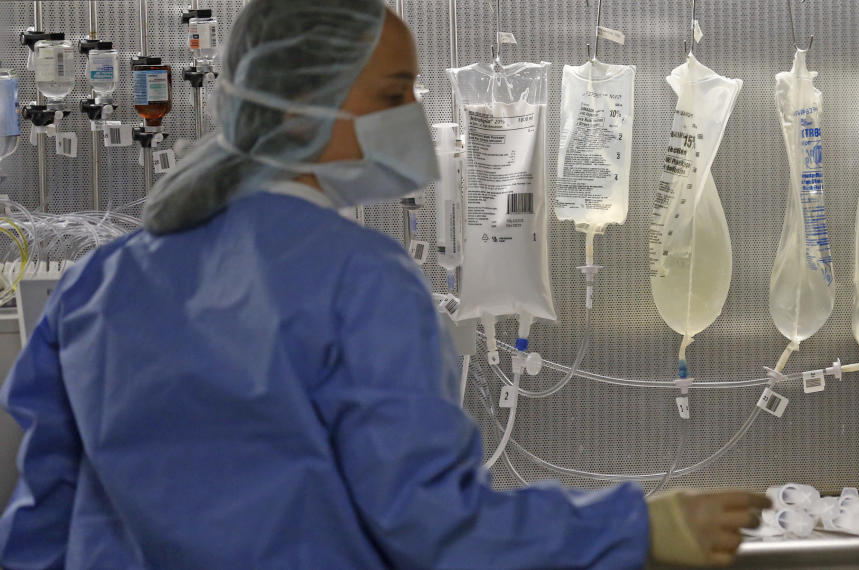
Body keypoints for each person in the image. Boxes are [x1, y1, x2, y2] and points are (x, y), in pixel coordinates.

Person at [0, 1, 769, 568]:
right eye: (395, 93)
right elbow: (433, 526)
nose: (414, 114)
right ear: (305, 106)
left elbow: (42, 516)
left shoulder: (103, 281)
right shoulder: (360, 282)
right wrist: (637, 529)